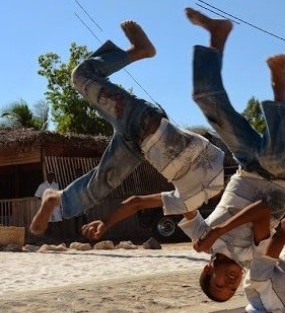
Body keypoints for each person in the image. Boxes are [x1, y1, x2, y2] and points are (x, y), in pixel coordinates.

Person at [29, 21, 226, 237]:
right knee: (81, 76)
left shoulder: (191, 199)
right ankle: (139, 51)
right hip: (142, 120)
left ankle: (55, 198)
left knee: (100, 184)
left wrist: (105, 224)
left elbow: (136, 203)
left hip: (137, 145)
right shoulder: (217, 171)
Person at [177, 8, 285, 303]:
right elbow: (260, 209)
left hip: (246, 165)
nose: (231, 284)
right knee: (272, 155)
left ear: (209, 271)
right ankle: (279, 88)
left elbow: (183, 202)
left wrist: (189, 195)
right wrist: (218, 229)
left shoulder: (200, 238)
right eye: (232, 290)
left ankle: (217, 34)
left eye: (221, 285)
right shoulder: (252, 256)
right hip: (277, 176)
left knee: (204, 100)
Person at [34, 172, 63, 238]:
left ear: (53, 177)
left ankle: (60, 237)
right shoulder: (42, 186)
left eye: (52, 176)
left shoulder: (56, 185)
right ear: (47, 177)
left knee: (59, 220)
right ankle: (48, 237)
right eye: (49, 176)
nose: (51, 178)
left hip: (55, 205)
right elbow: (37, 195)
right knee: (48, 221)